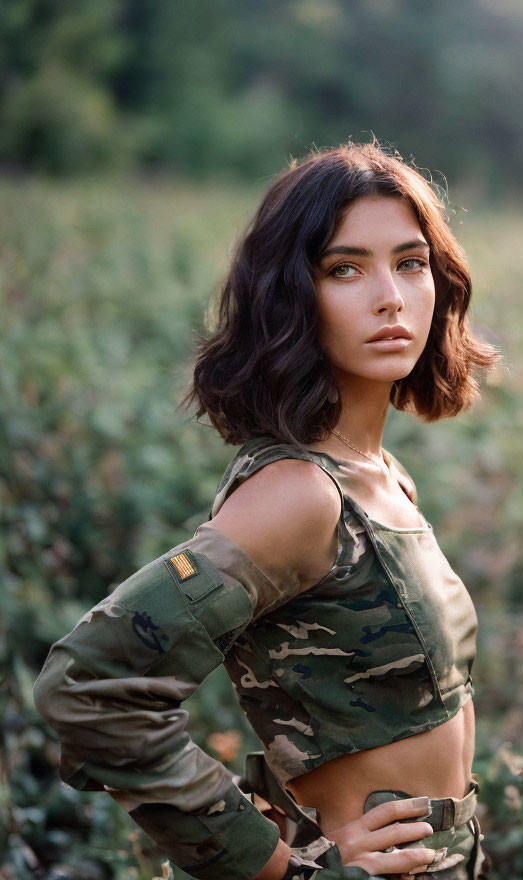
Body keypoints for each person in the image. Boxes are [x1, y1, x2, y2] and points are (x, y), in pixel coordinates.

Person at [33, 142, 499, 880]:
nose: (391, 296)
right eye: (345, 269)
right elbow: (89, 686)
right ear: (289, 295)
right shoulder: (301, 494)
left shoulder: (380, 475)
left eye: (410, 263)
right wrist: (278, 865)